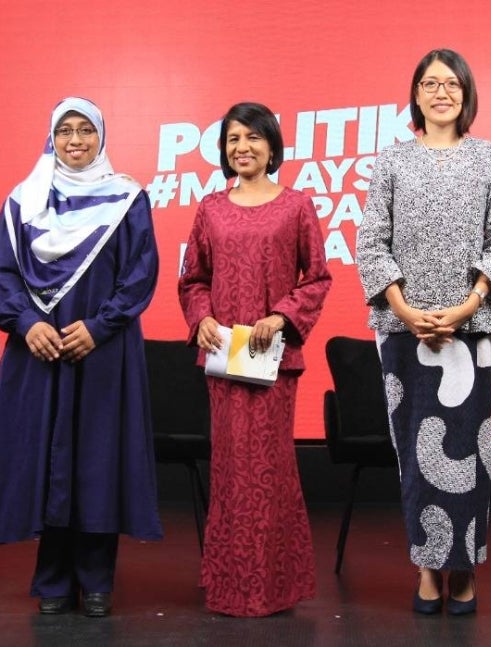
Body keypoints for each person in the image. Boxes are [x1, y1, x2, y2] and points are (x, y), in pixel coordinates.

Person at [0, 97, 161, 618]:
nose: (76, 141)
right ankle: (52, 579)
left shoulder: (128, 198)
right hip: (38, 352)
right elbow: (3, 274)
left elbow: (139, 273)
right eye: (65, 131)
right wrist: (28, 322)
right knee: (47, 460)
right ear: (50, 138)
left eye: (86, 130)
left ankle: (97, 578)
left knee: (97, 460)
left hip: (103, 353)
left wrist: (100, 327)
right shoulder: (23, 201)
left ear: (101, 137)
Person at [356, 49, 491, 616]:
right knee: (417, 455)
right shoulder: (393, 159)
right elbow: (371, 242)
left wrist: (465, 307)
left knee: (469, 456)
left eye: (451, 83)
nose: (441, 92)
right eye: (430, 83)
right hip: (404, 332)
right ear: (416, 94)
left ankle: (466, 571)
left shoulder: (489, 158)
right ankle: (428, 570)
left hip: (472, 334)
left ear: (466, 92)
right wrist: (405, 311)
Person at [178, 102, 331, 617]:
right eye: (232, 139)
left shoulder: (297, 206)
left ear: (272, 146)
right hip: (224, 358)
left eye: (253, 137)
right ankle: (228, 588)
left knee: (269, 469)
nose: (242, 147)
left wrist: (283, 316)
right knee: (229, 471)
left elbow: (318, 277)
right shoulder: (211, 208)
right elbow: (193, 278)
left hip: (271, 361)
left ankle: (273, 589)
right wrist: (199, 317)